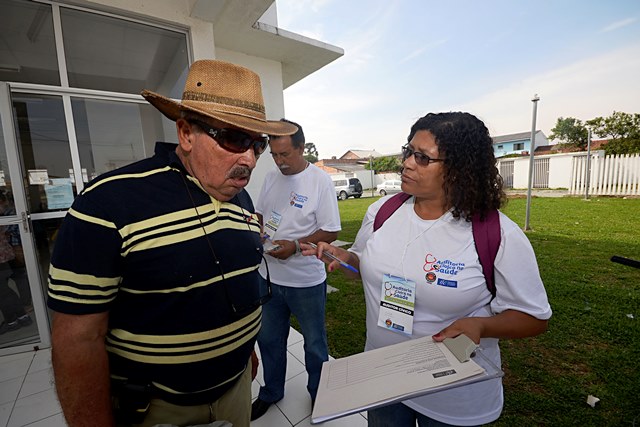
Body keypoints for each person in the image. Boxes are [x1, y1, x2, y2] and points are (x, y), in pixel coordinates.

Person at [47, 60, 297, 427]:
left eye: (257, 144)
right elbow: (77, 341)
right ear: (186, 134)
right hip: (154, 409)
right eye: (233, 138)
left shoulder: (241, 200)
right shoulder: (107, 204)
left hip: (236, 392)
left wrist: (244, 354)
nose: (249, 158)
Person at [305, 112, 552, 426]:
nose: (407, 163)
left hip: (453, 393)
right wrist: (344, 257)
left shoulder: (496, 233)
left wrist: (481, 326)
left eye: (423, 158)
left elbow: (534, 318)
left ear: (460, 169)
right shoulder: (382, 210)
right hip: (383, 379)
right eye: (408, 152)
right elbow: (363, 265)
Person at [250, 119, 341, 421]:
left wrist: (296, 244)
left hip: (306, 281)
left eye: (285, 155)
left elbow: (330, 232)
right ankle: (272, 391)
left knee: (315, 344)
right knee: (268, 340)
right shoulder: (271, 177)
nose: (279, 162)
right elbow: (262, 214)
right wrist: (263, 235)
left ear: (302, 148)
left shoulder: (319, 181)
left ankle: (319, 394)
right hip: (270, 278)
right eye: (274, 155)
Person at [0, 190, 32, 335]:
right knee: (4, 291)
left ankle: (16, 319)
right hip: (5, 256)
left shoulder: (7, 213)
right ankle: (19, 317)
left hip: (3, 258)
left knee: (4, 291)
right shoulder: (4, 212)